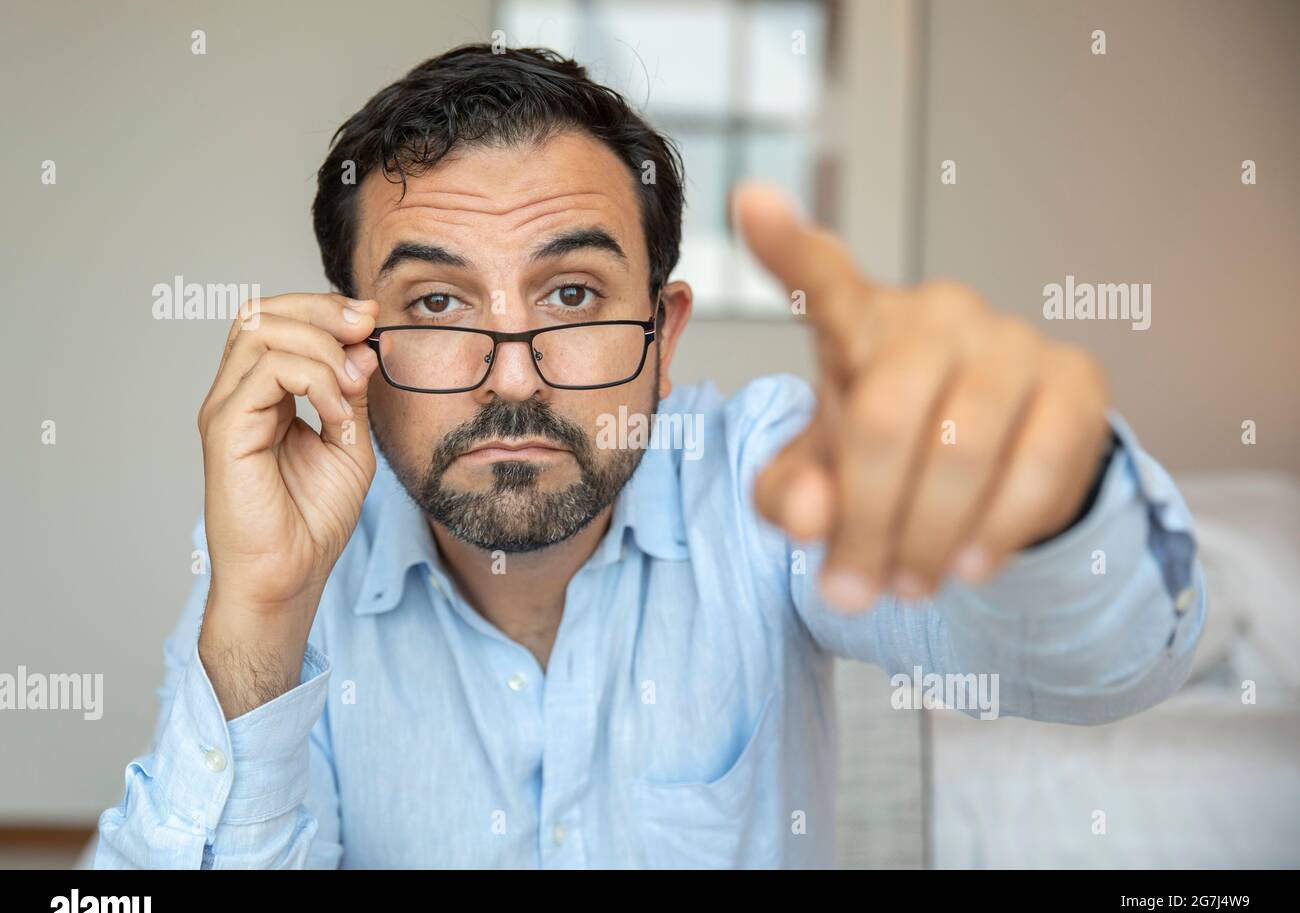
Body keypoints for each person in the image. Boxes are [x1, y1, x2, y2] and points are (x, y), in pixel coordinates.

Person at [94, 45, 1204, 868]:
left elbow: (1111, 667)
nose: (514, 376)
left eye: (571, 293)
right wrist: (258, 627)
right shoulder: (291, 544)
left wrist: (1056, 502)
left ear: (663, 334)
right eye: (436, 302)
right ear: (353, 345)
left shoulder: (767, 477)